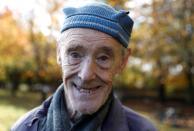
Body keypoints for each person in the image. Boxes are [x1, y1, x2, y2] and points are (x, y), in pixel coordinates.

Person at [11, 2, 157, 131]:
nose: (86, 75)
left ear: (122, 62)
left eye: (103, 58)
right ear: (59, 54)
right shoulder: (24, 127)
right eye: (75, 55)